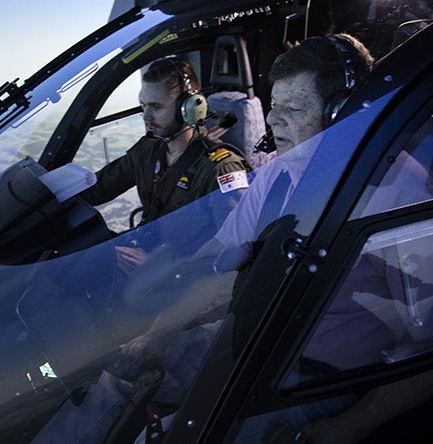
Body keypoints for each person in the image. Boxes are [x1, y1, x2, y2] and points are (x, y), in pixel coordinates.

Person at [33, 33, 377, 444]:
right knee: (117, 378)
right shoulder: (270, 178)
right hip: (251, 333)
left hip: (316, 369)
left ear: (343, 113)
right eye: (273, 105)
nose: (272, 121)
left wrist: (339, 432)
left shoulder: (398, 191)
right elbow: (216, 259)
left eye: (294, 108)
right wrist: (154, 340)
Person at [79, 58, 251, 273]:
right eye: (143, 106)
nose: (146, 116)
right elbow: (98, 190)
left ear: (189, 109)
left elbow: (234, 247)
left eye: (156, 107)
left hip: (187, 271)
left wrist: (162, 268)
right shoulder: (148, 150)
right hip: (151, 249)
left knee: (128, 298)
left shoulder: (220, 167)